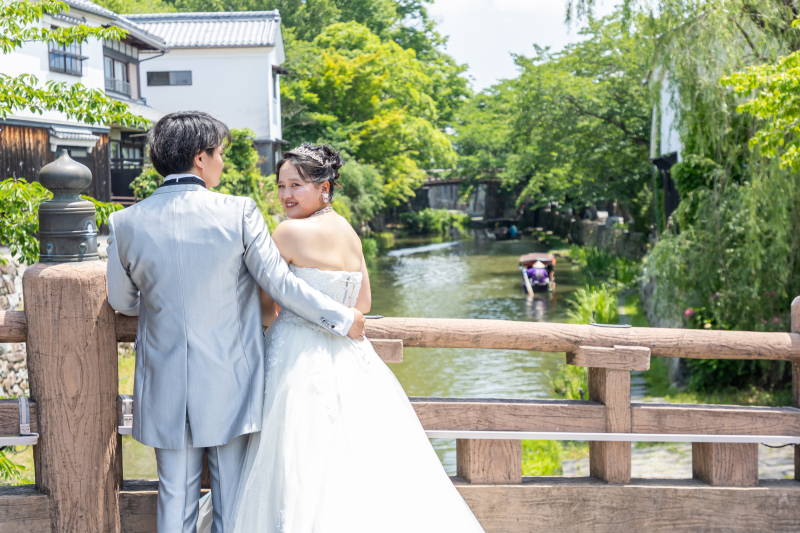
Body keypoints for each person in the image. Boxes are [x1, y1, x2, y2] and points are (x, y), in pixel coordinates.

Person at [105, 112, 366, 533]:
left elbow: (121, 300)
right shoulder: (238, 212)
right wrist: (342, 318)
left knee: (175, 500)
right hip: (231, 379)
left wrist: (162, 304)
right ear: (199, 158)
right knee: (233, 502)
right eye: (220, 154)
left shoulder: (125, 221)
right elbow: (281, 286)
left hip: (163, 382)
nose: (223, 163)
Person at [227, 144, 486, 533]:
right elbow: (362, 302)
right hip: (352, 356)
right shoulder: (349, 231)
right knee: (361, 461)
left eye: (296, 185)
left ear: (324, 187)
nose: (285, 196)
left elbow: (267, 309)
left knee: (296, 463)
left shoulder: (288, 232)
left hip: (296, 360)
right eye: (281, 186)